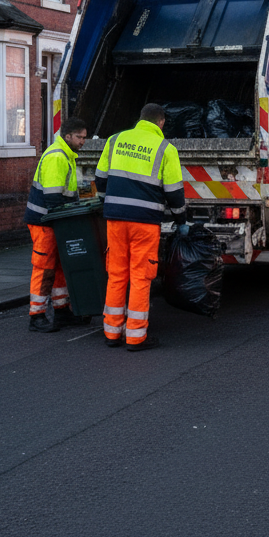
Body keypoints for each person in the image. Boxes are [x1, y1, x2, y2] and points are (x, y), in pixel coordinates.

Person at [94, 103, 185, 351]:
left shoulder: (115, 140)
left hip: (115, 220)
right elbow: (174, 192)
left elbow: (100, 178)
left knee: (116, 274)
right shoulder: (166, 149)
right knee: (140, 276)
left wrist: (107, 202)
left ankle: (111, 332)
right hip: (144, 222)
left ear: (140, 118)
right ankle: (135, 337)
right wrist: (181, 221)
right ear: (161, 122)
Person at [23, 117, 93, 333]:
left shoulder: (67, 155)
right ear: (67, 136)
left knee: (61, 267)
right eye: (80, 137)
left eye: (84, 137)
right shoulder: (57, 157)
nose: (83, 141)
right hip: (45, 222)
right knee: (44, 268)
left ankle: (61, 311)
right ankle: (37, 316)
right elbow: (53, 198)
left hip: (55, 222)